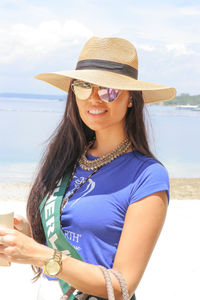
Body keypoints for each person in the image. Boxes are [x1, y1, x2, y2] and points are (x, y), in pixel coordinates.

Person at [0, 36, 176, 300]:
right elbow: (59, 265)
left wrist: (39, 253)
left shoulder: (147, 176)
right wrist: (28, 241)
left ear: (131, 99)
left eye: (109, 90)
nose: (94, 98)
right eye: (83, 87)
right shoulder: (66, 159)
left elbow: (122, 286)